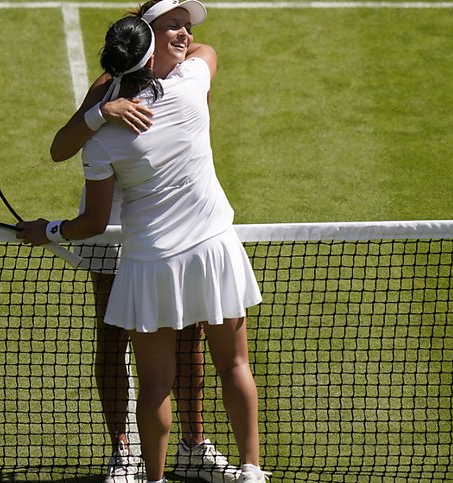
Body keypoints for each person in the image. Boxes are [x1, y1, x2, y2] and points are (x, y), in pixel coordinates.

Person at [17, 10, 270, 483]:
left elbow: (200, 51)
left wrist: (50, 231)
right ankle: (126, 454)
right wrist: (101, 111)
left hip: (145, 240)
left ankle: (188, 450)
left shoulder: (181, 77)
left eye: (186, 25)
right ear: (146, 39)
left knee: (182, 345)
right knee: (118, 339)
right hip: (129, 231)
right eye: (171, 24)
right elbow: (60, 150)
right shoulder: (134, 88)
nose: (186, 33)